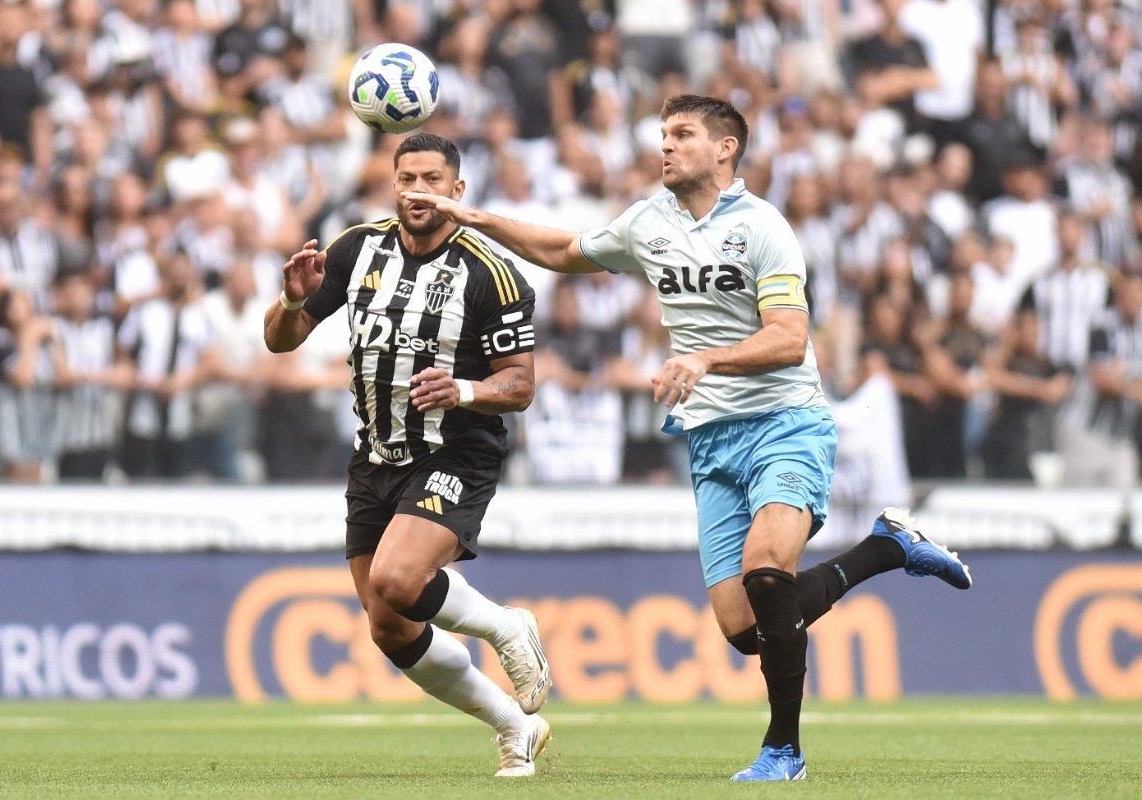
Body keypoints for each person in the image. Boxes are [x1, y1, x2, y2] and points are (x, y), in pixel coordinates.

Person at [406, 95, 972, 782]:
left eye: (682, 134)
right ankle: (888, 547)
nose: (664, 147)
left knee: (769, 573)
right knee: (744, 630)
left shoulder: (764, 227)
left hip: (785, 423)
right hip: (710, 440)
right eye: (662, 135)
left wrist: (704, 358)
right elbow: (561, 249)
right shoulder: (650, 222)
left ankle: (783, 752)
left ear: (725, 149)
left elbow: (791, 340)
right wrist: (475, 217)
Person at [263, 132, 553, 778]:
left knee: (399, 580)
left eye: (430, 180)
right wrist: (290, 299)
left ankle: (507, 627)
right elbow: (279, 341)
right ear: (392, 184)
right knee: (388, 625)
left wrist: (466, 389)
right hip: (374, 456)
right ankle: (515, 725)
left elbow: (522, 385)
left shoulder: (492, 274)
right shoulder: (355, 249)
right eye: (406, 180)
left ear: (457, 191)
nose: (416, 192)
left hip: (455, 451)